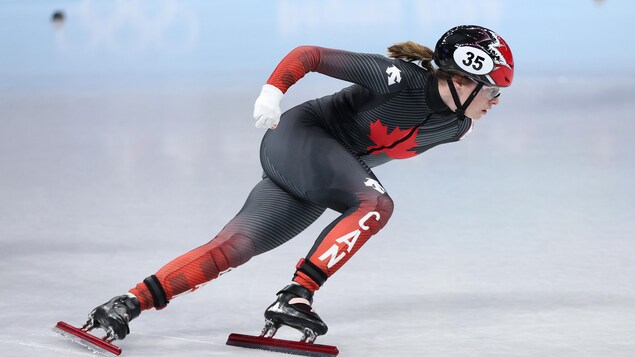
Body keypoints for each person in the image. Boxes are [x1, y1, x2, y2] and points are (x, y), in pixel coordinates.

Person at [85, 25, 514, 343]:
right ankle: (296, 296)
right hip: (300, 137)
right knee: (376, 204)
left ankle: (126, 303)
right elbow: (308, 54)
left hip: (321, 169)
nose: (496, 102)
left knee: (235, 246)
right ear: (460, 81)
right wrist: (273, 91)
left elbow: (388, 146)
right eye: (492, 91)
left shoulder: (456, 127)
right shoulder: (398, 78)